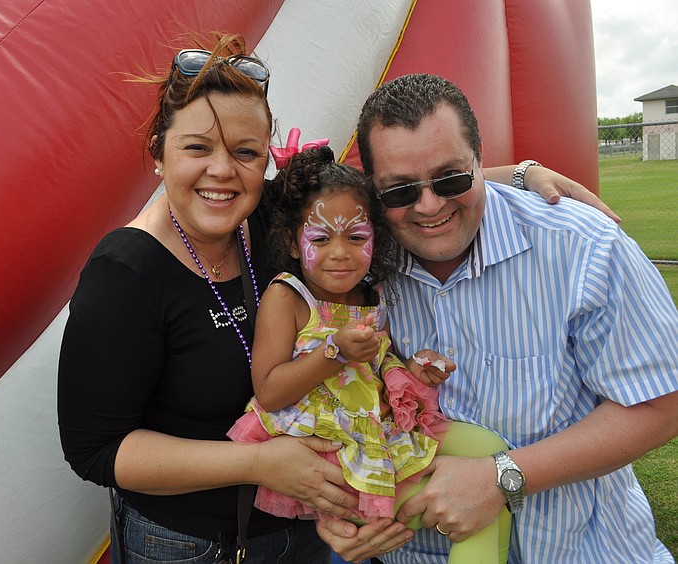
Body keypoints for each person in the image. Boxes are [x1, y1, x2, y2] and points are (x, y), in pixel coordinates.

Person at [56, 31, 622, 563]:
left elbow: (370, 197)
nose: (222, 171)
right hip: (190, 543)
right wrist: (257, 462)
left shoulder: (265, 221)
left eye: (246, 152)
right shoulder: (124, 273)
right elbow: (98, 451)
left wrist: (514, 177)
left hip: (300, 528)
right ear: (159, 151)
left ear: (266, 160)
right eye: (197, 148)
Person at [318, 73, 678, 563]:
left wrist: (504, 475)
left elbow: (660, 404)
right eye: (400, 190)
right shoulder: (353, 258)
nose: (429, 206)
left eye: (451, 178)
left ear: (480, 162)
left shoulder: (583, 246)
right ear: (374, 193)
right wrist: (333, 507)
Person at [227, 137, 512, 563]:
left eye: (356, 236)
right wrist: (333, 353)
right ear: (291, 241)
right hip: (330, 457)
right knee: (479, 506)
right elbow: (268, 391)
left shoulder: (370, 297)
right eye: (320, 238)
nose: (340, 253)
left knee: (491, 457)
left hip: (378, 433)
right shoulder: (287, 299)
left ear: (375, 238)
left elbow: (375, 373)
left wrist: (415, 371)